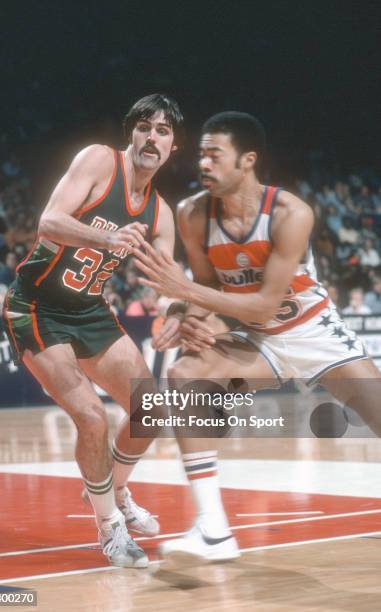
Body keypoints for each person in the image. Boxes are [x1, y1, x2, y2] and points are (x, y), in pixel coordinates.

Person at [134, 111, 381, 563]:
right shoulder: (192, 214)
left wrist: (184, 291)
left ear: (247, 160)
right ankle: (213, 530)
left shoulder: (290, 212)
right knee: (187, 372)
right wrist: (185, 315)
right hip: (258, 341)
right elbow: (206, 287)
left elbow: (266, 303)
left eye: (214, 155)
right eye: (200, 155)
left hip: (313, 333)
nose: (202, 164)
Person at [2, 94, 184, 568]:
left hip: (88, 310)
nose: (152, 137)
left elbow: (167, 278)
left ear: (172, 146)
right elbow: (48, 222)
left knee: (150, 408)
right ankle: (109, 527)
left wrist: (179, 310)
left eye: (162, 131)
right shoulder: (99, 161)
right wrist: (107, 237)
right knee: (92, 416)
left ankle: (114, 492)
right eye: (145, 126)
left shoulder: (162, 214)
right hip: (36, 306)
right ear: (132, 132)